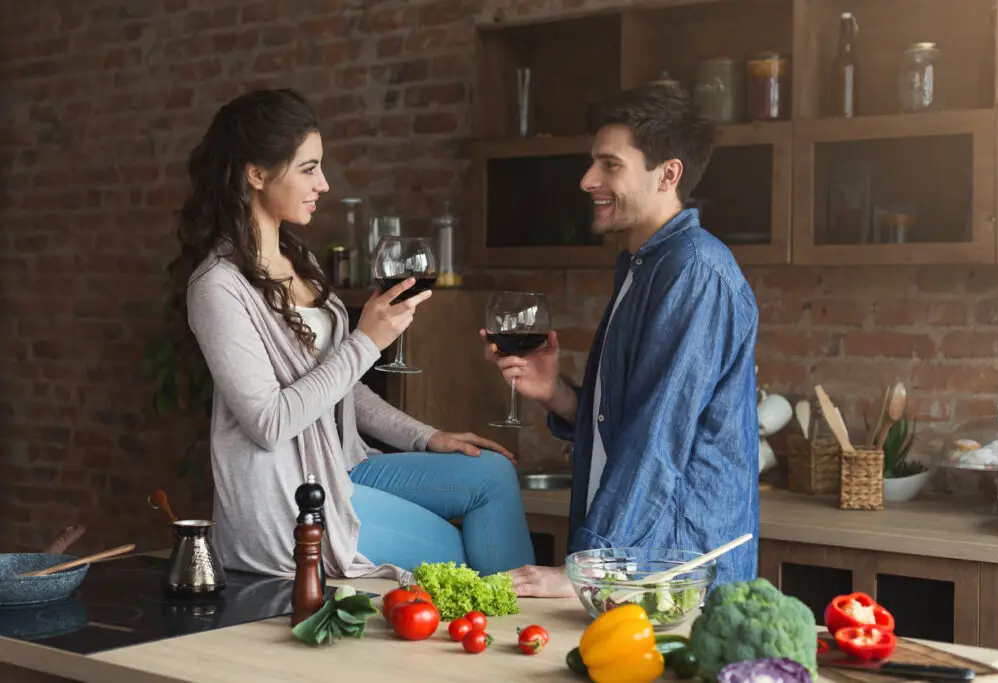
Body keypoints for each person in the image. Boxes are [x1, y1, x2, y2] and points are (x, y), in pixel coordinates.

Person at [169, 88, 535, 581]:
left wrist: (427, 438)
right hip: (290, 498)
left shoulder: (301, 261)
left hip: (341, 464)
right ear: (255, 174)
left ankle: (515, 626)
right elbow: (269, 422)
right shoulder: (217, 287)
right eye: (307, 168)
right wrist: (365, 342)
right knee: (451, 547)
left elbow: (342, 387)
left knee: (492, 474)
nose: (323, 183)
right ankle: (494, 635)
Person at [482, 84, 760, 596]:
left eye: (610, 165)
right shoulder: (643, 265)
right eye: (593, 163)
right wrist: (558, 396)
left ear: (667, 174)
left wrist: (588, 569)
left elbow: (659, 437)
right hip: (635, 566)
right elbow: (630, 421)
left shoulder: (695, 271)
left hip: (674, 572)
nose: (588, 180)